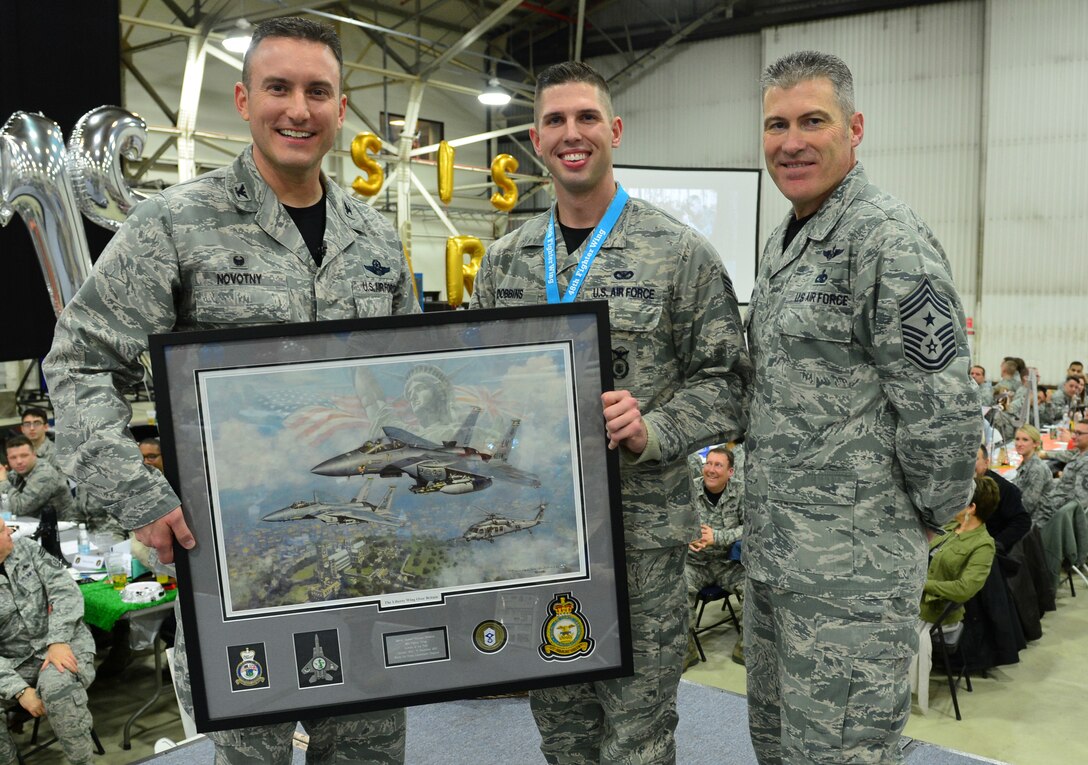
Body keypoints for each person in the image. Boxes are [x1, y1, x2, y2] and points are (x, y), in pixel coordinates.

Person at [43, 17, 417, 765]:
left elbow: (402, 378)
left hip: (364, 554)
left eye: (318, 91)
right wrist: (140, 497)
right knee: (253, 755)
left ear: (342, 110)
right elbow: (77, 362)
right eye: (278, 88)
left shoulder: (375, 239)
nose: (298, 109)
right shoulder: (173, 225)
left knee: (370, 750)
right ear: (244, 100)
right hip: (238, 559)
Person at [470, 60, 751, 765]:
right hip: (539, 544)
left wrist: (654, 428)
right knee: (563, 735)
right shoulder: (502, 264)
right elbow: (474, 388)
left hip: (642, 542)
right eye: (557, 120)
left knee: (638, 736)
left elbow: (729, 382)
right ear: (536, 139)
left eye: (587, 117)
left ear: (615, 130)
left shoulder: (679, 255)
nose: (573, 134)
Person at [745, 50, 978, 763]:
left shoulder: (886, 238)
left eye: (813, 120)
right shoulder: (785, 239)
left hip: (851, 578)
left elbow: (942, 407)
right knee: (778, 747)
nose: (792, 141)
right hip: (776, 563)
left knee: (843, 754)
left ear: (855, 127)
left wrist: (917, 523)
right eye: (777, 124)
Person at [0, 517, 98, 765]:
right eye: (3, 530)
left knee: (57, 684)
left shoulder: (28, 549)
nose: (10, 532)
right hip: (15, 661)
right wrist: (19, 690)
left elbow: (65, 590)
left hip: (65, 643)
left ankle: (83, 762)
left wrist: (57, 640)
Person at [909, 475, 999, 712]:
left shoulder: (983, 545)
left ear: (972, 507)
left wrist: (923, 585)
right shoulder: (950, 526)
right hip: (917, 602)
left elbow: (964, 589)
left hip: (937, 616)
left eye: (960, 498)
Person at [685, 447, 745, 665]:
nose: (710, 470)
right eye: (708, 464)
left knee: (754, 589)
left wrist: (718, 537)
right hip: (695, 564)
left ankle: (746, 647)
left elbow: (752, 527)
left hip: (727, 563)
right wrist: (687, 537)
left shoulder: (740, 491)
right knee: (678, 590)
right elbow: (674, 522)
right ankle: (686, 650)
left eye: (718, 465)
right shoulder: (689, 490)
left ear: (730, 472)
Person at [972, 443, 1030, 554]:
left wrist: (996, 544)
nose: (968, 464)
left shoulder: (1003, 489)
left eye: (975, 459)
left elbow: (1022, 521)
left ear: (986, 462)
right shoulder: (957, 487)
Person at [0, 435, 75, 520]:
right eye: (13, 457)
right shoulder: (18, 471)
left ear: (34, 455)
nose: (19, 461)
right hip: (33, 524)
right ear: (8, 459)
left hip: (64, 528)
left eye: (24, 455)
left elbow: (19, 508)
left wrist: (3, 481)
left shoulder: (44, 474)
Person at [1011, 427, 1058, 526]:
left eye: (1025, 440)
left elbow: (1027, 505)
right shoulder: (1027, 463)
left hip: (1038, 522)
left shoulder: (1036, 469)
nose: (1019, 444)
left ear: (1036, 444)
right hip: (1031, 516)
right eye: (1017, 439)